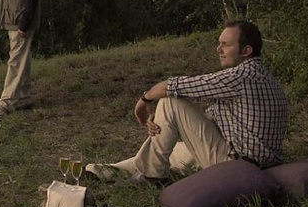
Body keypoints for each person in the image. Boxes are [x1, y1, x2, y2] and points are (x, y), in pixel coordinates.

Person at [87, 20, 289, 182]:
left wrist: (144, 100)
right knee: (171, 150)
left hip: (239, 166)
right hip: (243, 158)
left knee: (169, 100)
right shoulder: (261, 76)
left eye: (225, 45)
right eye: (219, 43)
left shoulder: (242, 76)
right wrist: (168, 127)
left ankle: (153, 175)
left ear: (246, 51)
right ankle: (103, 171)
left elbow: (173, 86)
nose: (218, 49)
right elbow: (218, 117)